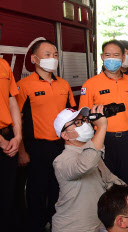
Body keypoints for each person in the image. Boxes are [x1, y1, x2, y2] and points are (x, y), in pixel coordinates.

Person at [16, 40, 76, 232]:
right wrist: (21, 151)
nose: (53, 58)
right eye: (47, 54)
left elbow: (72, 116)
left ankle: (56, 225)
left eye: (55, 54)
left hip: (62, 147)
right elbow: (18, 121)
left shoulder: (64, 85)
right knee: (36, 193)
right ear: (34, 59)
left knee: (59, 190)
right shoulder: (23, 86)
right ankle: (36, 226)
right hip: (36, 149)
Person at [79, 39, 128, 187]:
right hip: (102, 140)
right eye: (108, 55)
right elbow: (83, 117)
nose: (111, 59)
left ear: (123, 58)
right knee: (104, 184)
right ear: (102, 57)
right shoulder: (90, 84)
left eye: (116, 55)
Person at [52, 105, 125, 232]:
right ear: (65, 135)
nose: (85, 124)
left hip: (97, 225)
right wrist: (101, 127)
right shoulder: (61, 161)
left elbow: (109, 179)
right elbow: (85, 165)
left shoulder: (91, 153)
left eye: (85, 120)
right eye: (78, 123)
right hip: (72, 228)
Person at [0, 57, 22, 231]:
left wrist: (18, 136)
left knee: (8, 197)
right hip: (3, 142)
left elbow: (11, 100)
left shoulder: (3, 64)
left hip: (9, 141)